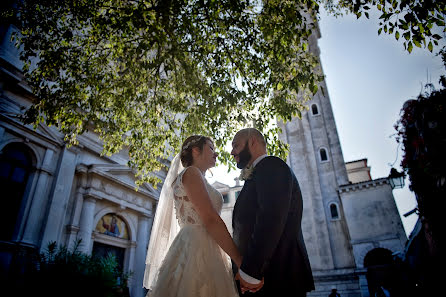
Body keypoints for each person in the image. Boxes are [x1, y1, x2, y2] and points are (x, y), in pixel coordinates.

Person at [143, 135, 241, 297]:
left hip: (207, 244)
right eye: (211, 148)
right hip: (197, 246)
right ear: (196, 151)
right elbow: (210, 219)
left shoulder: (198, 177)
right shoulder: (191, 173)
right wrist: (238, 259)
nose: (215, 154)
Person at [231, 128, 315, 296]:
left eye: (236, 145)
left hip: (275, 277)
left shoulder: (271, 166)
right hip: (265, 278)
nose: (232, 152)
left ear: (252, 141)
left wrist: (251, 272)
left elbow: (270, 220)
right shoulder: (259, 173)